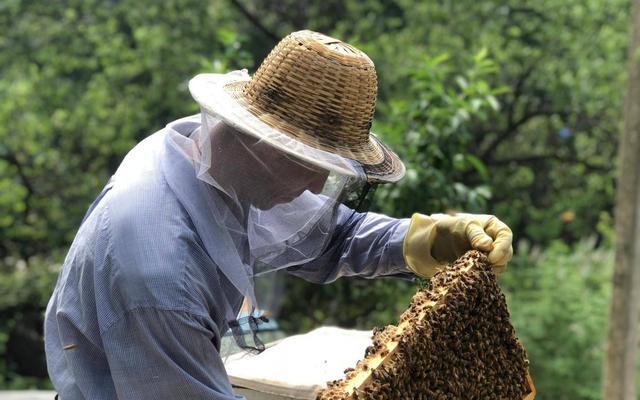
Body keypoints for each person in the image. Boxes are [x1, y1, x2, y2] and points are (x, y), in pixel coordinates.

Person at [44, 30, 513, 399]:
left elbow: (331, 235)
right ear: (258, 138)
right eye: (311, 165)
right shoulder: (161, 271)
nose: (314, 187)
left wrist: (427, 238)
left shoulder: (210, 160)